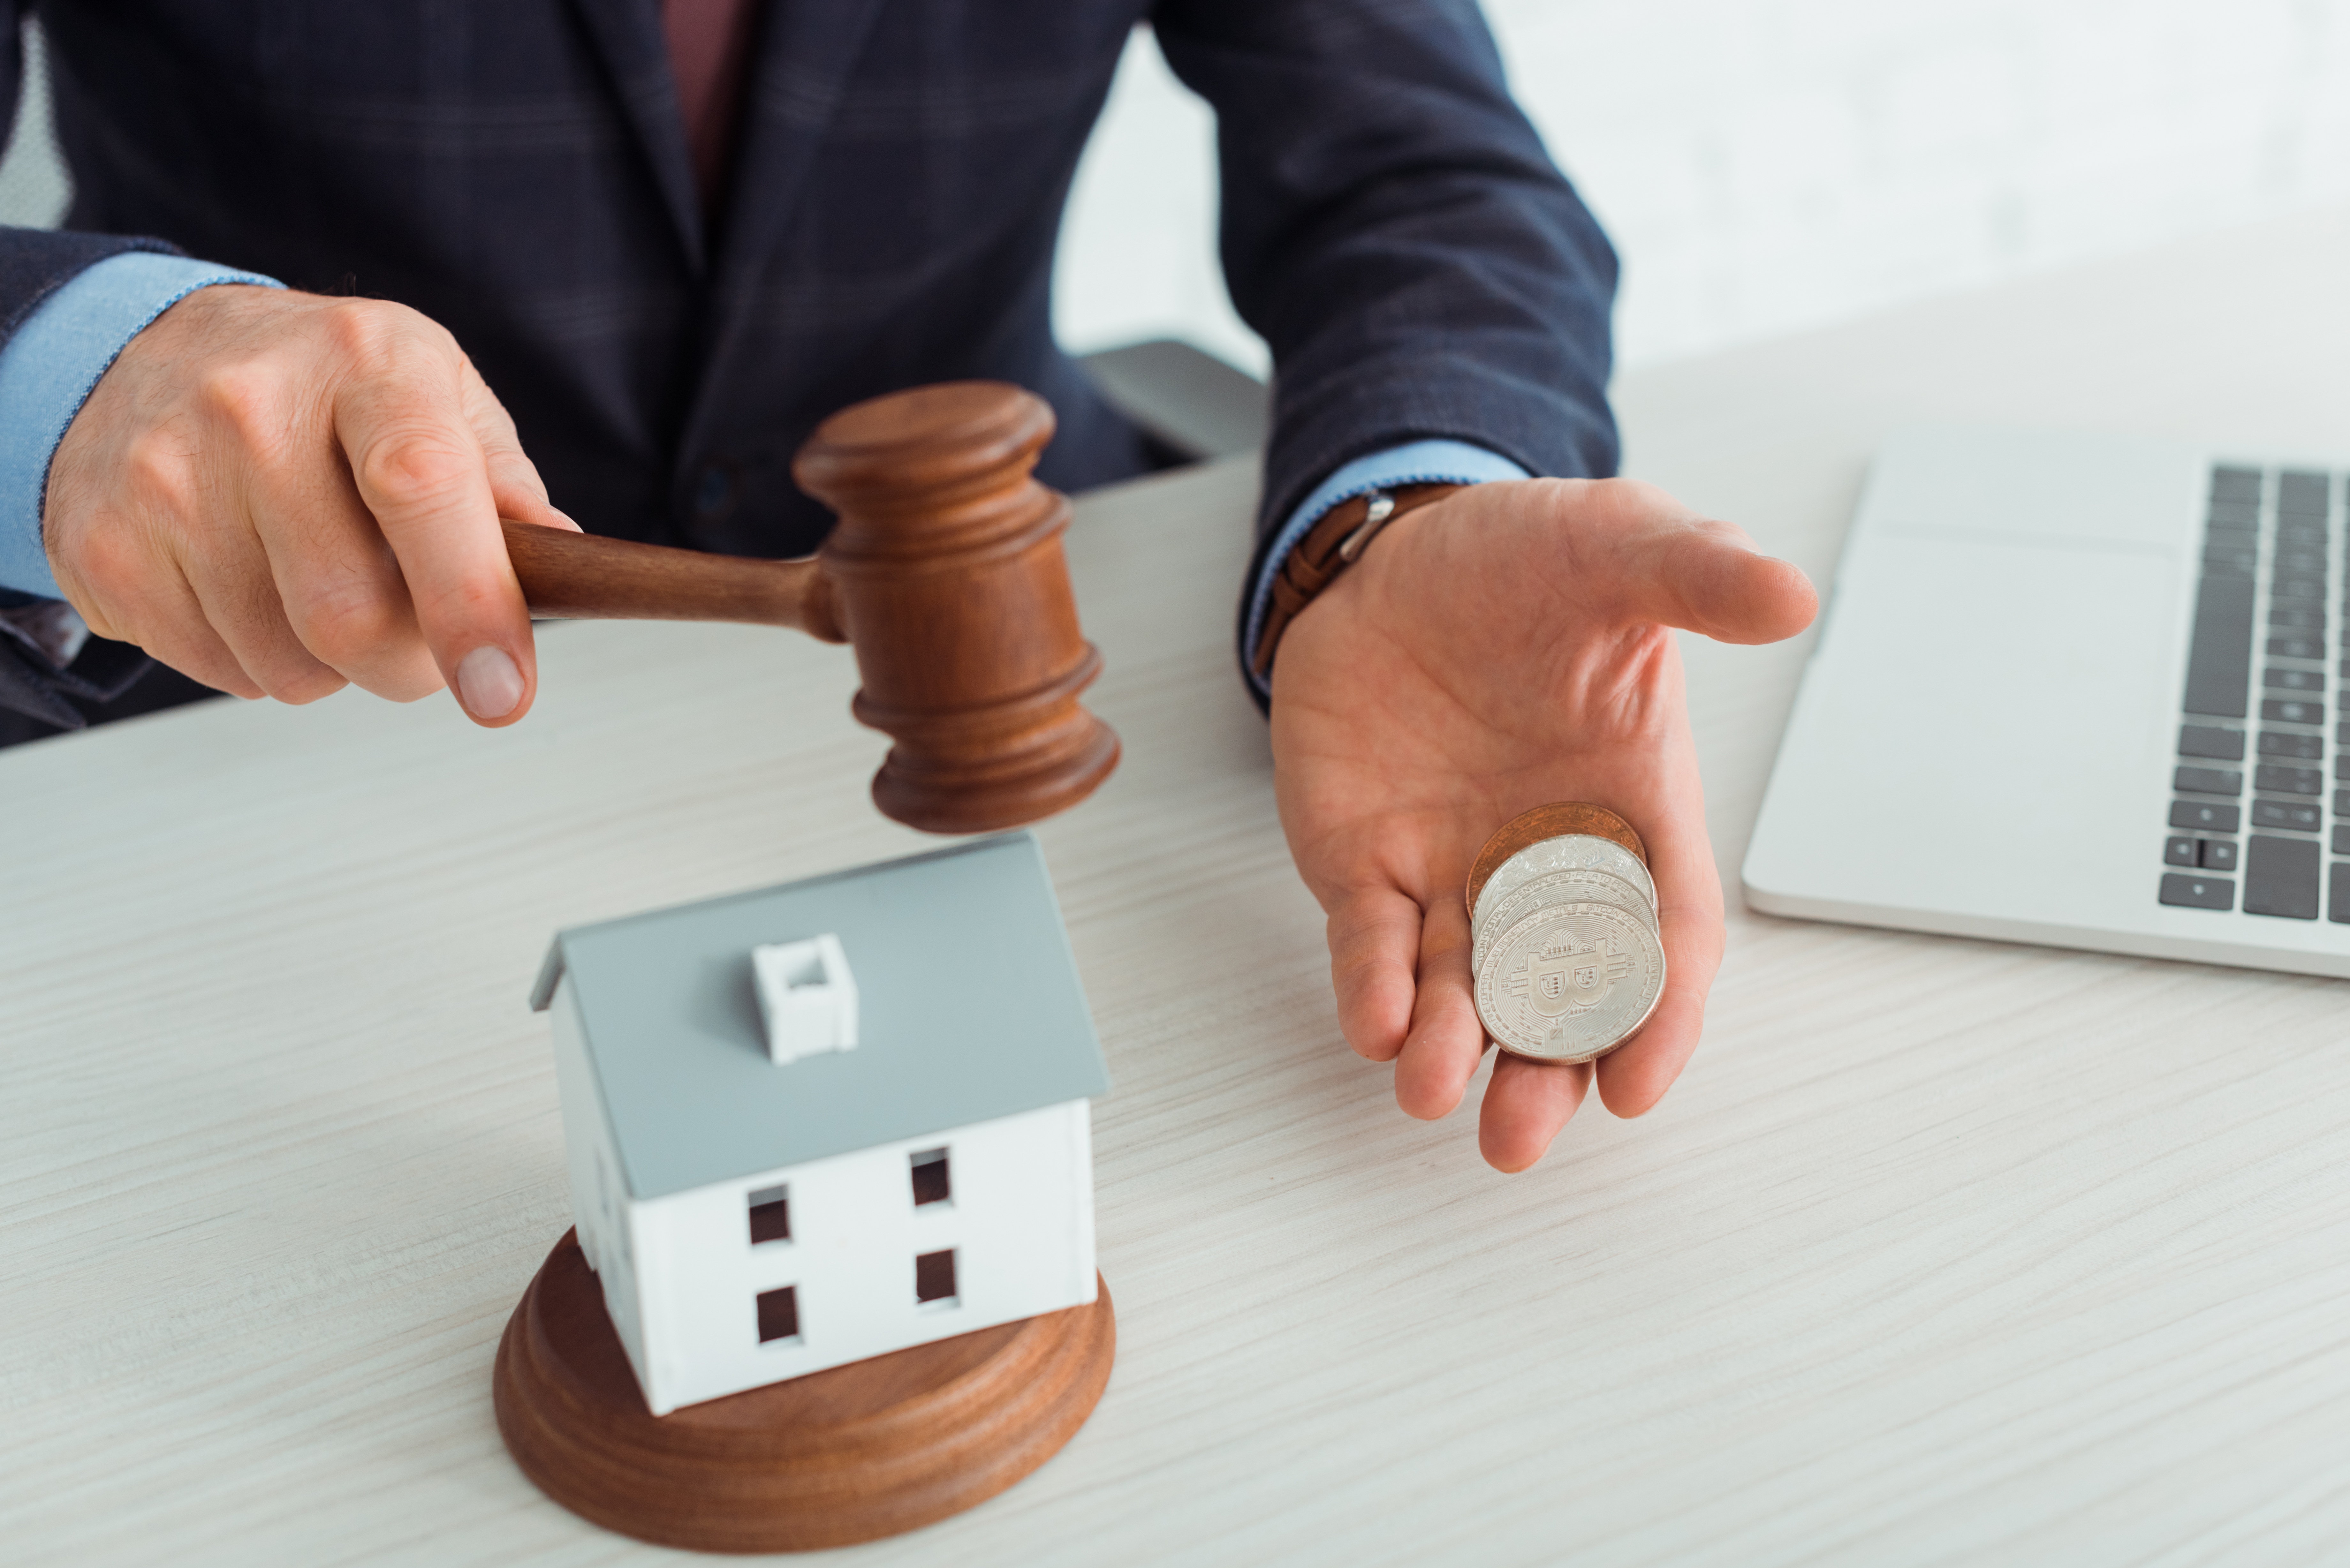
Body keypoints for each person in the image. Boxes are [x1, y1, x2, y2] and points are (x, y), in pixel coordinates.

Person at [0, 0, 1815, 1171]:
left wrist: (1391, 517)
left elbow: (1423, 170)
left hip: (1058, 783)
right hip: (243, 738)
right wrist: (80, 386)